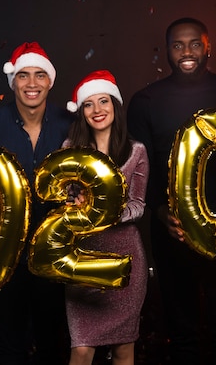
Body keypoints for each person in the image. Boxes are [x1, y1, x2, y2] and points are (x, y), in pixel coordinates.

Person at [126, 17, 216, 365]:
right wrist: (158, 211)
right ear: (167, 50)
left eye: (194, 44)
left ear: (207, 47)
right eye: (177, 45)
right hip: (172, 234)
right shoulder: (145, 101)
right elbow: (141, 168)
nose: (186, 52)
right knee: (182, 334)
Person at [0, 41, 74, 365]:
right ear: (13, 81)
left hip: (55, 248)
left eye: (39, 75)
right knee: (9, 340)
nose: (32, 83)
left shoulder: (68, 123)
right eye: (24, 75)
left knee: (53, 339)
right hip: (6, 250)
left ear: (50, 81)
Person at [62, 70, 149, 365]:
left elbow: (138, 205)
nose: (97, 110)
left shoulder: (136, 151)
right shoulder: (70, 151)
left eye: (104, 102)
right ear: (82, 111)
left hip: (125, 259)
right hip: (82, 259)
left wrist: (103, 212)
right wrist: (74, 204)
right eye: (89, 104)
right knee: (82, 350)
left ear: (115, 105)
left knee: (124, 349)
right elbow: (62, 202)